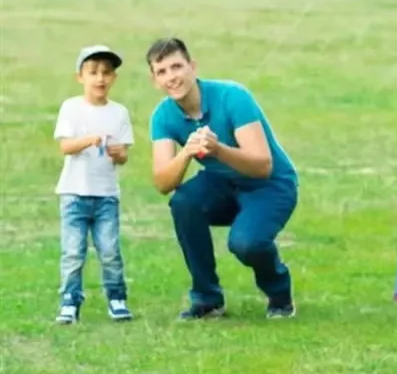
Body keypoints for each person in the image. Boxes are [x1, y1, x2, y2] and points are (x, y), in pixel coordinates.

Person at [146, 37, 299, 321]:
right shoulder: (163, 116)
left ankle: (280, 295)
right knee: (183, 203)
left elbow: (263, 166)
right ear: (154, 80)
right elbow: (163, 183)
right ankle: (207, 300)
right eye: (162, 72)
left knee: (246, 244)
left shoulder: (232, 96)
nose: (172, 77)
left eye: (177, 67)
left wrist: (218, 150)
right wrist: (186, 153)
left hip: (270, 186)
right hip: (223, 182)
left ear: (192, 67)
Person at [53, 44, 135, 324]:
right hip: (74, 193)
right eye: (93, 72)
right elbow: (65, 146)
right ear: (81, 77)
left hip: (106, 195)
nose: (100, 78)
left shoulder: (119, 113)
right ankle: (69, 301)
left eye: (106, 73)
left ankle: (116, 298)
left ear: (114, 78)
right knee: (73, 252)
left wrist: (118, 153)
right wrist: (89, 140)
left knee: (110, 251)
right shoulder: (71, 108)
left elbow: (123, 155)